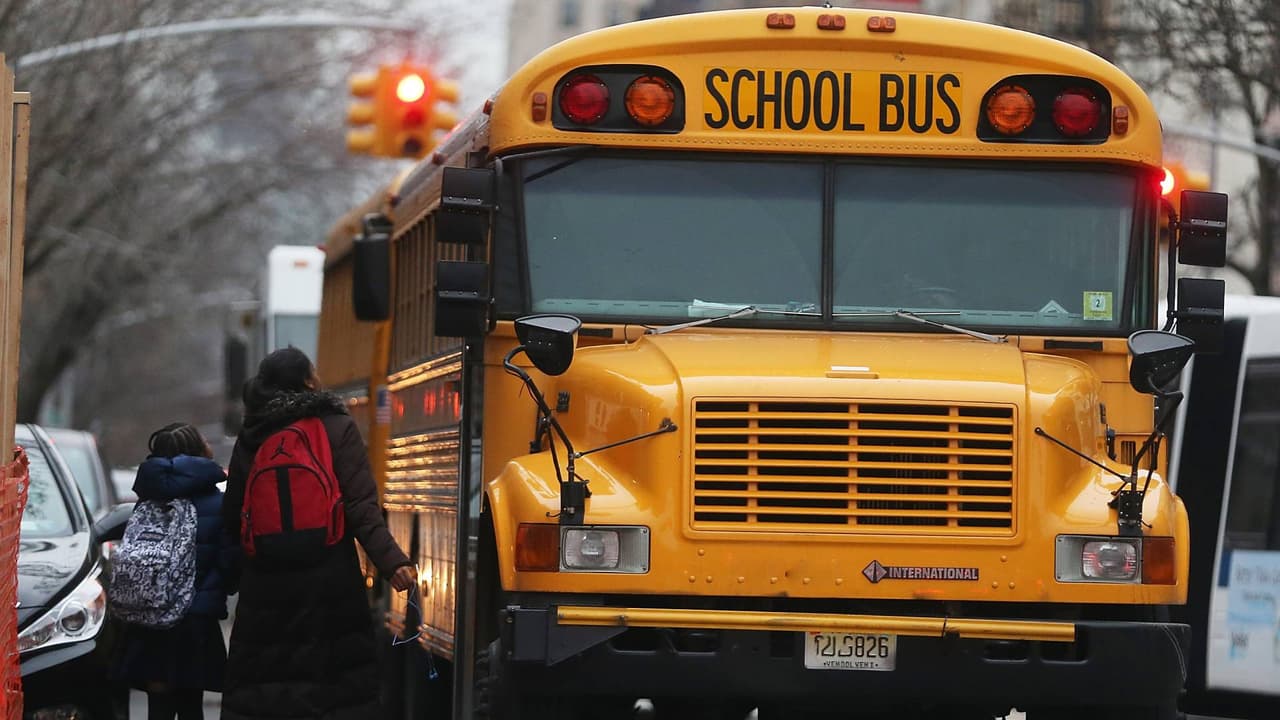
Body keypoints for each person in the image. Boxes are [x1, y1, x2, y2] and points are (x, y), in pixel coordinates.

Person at [221, 347, 415, 720]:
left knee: (266, 691)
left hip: (266, 586)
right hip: (329, 584)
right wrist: (394, 564)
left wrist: (231, 574)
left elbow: (233, 516)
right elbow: (361, 510)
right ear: (308, 381)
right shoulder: (335, 427)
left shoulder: (254, 433)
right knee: (334, 692)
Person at [113, 423, 233, 720]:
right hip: (194, 619)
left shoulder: (148, 499)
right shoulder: (218, 504)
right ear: (197, 453)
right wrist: (218, 591)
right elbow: (229, 561)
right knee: (192, 704)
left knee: (159, 706)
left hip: (149, 618)